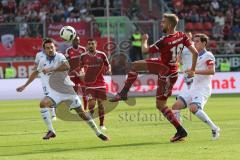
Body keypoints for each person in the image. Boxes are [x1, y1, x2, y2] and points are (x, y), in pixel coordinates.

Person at [110, 13, 199, 142]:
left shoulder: (164, 41)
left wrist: (144, 40)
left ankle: (180, 130)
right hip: (166, 66)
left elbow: (145, 50)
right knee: (134, 66)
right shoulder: (182, 36)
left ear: (168, 24)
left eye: (163, 22)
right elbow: (195, 53)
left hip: (167, 73)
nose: (161, 24)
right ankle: (123, 93)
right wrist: (193, 69)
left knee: (161, 105)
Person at [16, 38, 109, 141]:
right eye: (48, 48)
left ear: (55, 47)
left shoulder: (60, 56)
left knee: (83, 114)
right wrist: (25, 85)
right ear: (44, 50)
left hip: (68, 91)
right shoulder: (42, 61)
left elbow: (66, 66)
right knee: (43, 103)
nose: (50, 49)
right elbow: (35, 73)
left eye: (52, 47)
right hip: (54, 92)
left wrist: (51, 69)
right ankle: (51, 131)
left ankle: (98, 133)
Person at [172, 33, 220, 140]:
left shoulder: (208, 55)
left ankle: (214, 128)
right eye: (194, 41)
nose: (195, 43)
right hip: (193, 87)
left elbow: (212, 71)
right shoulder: (195, 55)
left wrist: (194, 71)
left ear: (204, 43)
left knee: (193, 108)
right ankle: (181, 133)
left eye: (197, 41)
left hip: (203, 88)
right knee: (176, 106)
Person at [16, 49, 57, 120]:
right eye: (46, 47)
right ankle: (53, 115)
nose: (48, 48)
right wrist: (35, 68)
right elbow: (36, 65)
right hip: (43, 78)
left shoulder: (55, 54)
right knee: (48, 95)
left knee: (53, 96)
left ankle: (54, 114)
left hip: (53, 78)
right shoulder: (39, 55)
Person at [79, 39, 111, 130]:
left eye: (92, 44)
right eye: (89, 44)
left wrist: (109, 69)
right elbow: (80, 67)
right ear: (87, 45)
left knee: (101, 104)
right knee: (92, 105)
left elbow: (108, 65)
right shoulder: (83, 56)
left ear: (96, 45)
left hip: (100, 83)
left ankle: (101, 125)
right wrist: (81, 72)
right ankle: (91, 112)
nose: (90, 45)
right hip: (89, 84)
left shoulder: (102, 55)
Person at [65, 35, 88, 110]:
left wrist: (85, 71)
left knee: (84, 91)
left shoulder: (83, 49)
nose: (76, 42)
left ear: (79, 41)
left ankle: (85, 108)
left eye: (77, 40)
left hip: (81, 74)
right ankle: (76, 106)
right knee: (74, 92)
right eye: (75, 40)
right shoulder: (68, 50)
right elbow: (67, 62)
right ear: (72, 41)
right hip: (72, 74)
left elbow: (86, 61)